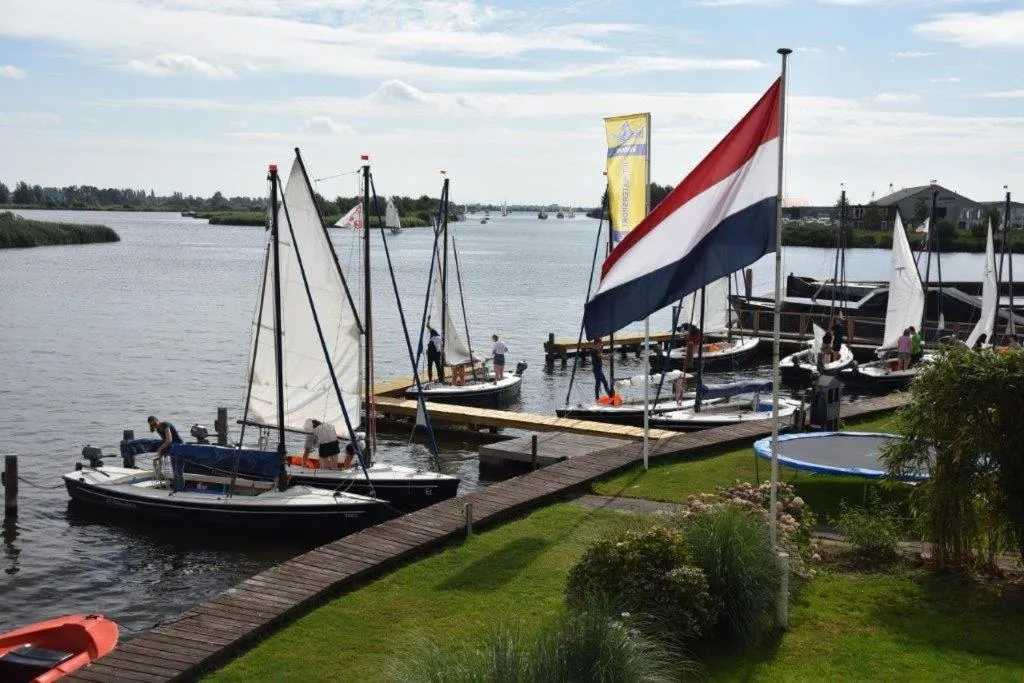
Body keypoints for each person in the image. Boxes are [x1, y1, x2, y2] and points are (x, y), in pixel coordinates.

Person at [148, 415, 183, 488]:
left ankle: (180, 490)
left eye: (155, 424)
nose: (155, 426)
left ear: (158, 420)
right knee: (174, 471)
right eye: (152, 426)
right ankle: (176, 488)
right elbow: (165, 441)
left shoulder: (165, 425)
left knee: (178, 471)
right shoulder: (158, 428)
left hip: (179, 448)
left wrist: (160, 449)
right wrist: (162, 452)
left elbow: (169, 440)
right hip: (172, 449)